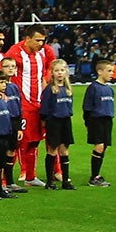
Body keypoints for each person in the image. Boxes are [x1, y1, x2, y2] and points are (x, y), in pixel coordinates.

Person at [11, 28, 57, 187]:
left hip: (39, 104)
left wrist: (46, 81)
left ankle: (30, 177)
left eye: (42, 40)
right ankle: (5, 180)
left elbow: (51, 68)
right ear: (27, 38)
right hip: (22, 105)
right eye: (37, 40)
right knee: (16, 142)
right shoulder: (15, 52)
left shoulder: (44, 52)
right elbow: (4, 70)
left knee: (35, 141)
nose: (40, 44)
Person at [40, 59, 77, 190]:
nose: (60, 73)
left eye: (62, 70)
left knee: (64, 150)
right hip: (53, 122)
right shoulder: (50, 89)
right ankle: (50, 181)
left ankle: (65, 180)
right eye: (57, 70)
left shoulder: (68, 89)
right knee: (52, 150)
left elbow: (70, 105)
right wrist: (45, 121)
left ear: (66, 72)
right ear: (52, 72)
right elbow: (44, 108)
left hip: (66, 121)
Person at [82, 59, 116, 186]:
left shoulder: (109, 89)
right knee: (99, 146)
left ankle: (97, 175)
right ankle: (94, 177)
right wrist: (88, 123)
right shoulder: (93, 88)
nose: (111, 73)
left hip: (107, 120)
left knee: (104, 147)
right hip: (96, 120)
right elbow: (87, 107)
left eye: (112, 71)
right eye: (109, 71)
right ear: (100, 72)